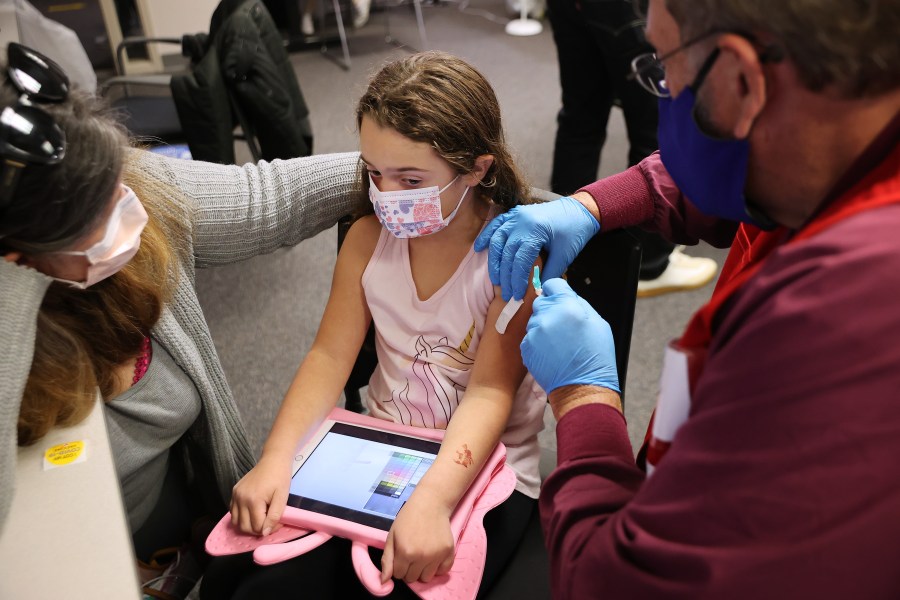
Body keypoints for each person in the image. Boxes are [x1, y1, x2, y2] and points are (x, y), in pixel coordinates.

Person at [476, 0, 900, 597]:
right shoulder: (842, 135)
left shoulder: (839, 319)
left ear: (744, 82)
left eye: (665, 71)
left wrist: (583, 398)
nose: (661, 90)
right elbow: (727, 176)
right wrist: (590, 204)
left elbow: (614, 583)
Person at [0, 43, 361, 595]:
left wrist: (404, 172)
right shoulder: (14, 302)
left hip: (189, 519)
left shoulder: (106, 178)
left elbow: (265, 200)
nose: (127, 213)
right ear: (20, 256)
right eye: (92, 222)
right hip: (81, 560)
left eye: (117, 185)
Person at [208, 51, 547, 599]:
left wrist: (434, 501)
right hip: (379, 449)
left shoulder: (509, 260)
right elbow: (327, 357)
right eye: (374, 173)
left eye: (410, 178)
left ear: (478, 169)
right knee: (240, 582)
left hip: (484, 468)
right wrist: (275, 459)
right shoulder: (368, 241)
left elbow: (488, 393)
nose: (386, 195)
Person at [547, 0, 717, 297]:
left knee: (581, 116)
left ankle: (562, 240)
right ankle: (649, 263)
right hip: (626, 9)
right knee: (653, 129)